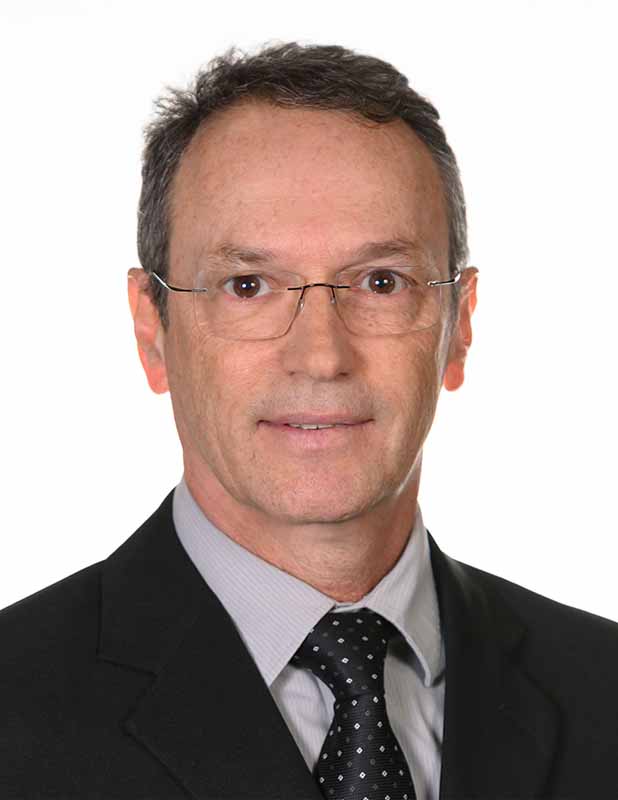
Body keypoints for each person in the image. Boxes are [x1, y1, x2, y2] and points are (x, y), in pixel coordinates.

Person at [1, 41, 616, 800]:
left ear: (459, 325)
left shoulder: (603, 688)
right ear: (152, 330)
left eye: (381, 282)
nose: (321, 356)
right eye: (248, 285)